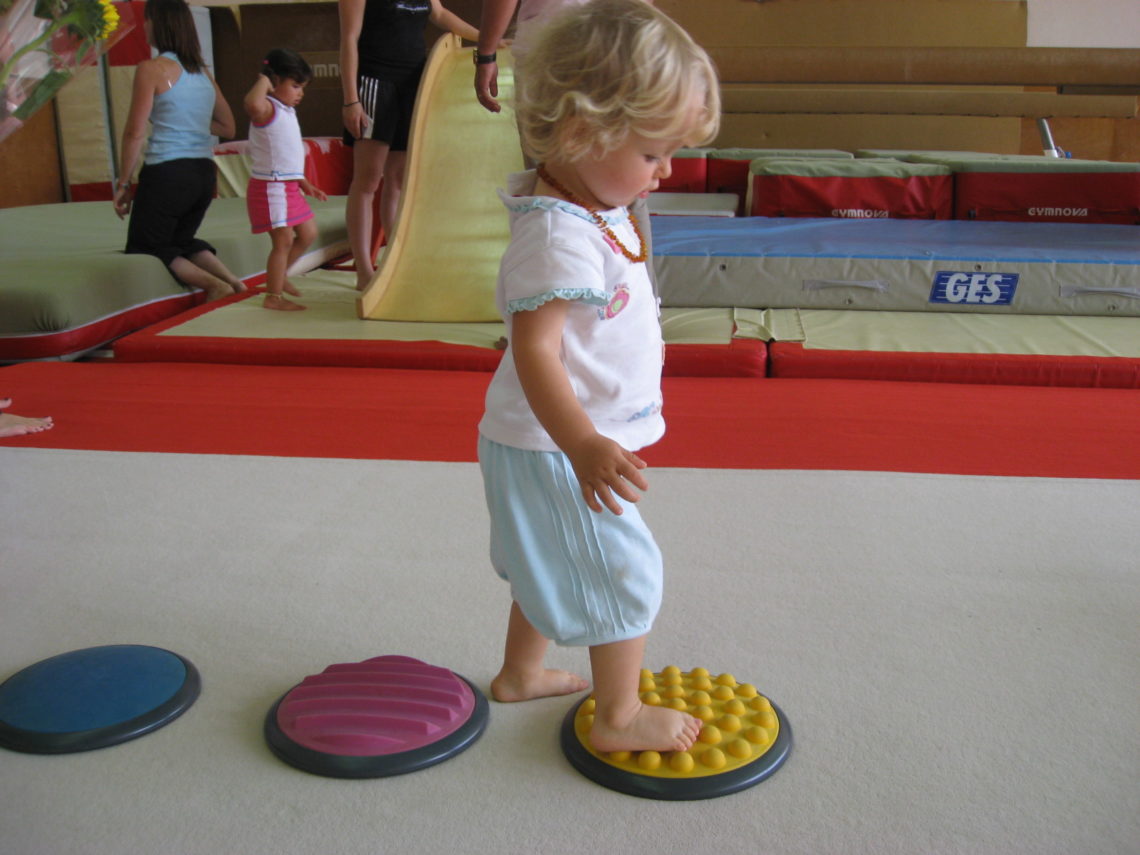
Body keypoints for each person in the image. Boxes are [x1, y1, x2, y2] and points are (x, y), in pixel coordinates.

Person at [477, 0, 720, 754]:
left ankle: (521, 672)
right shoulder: (557, 238)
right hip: (558, 447)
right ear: (583, 133)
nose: (666, 172)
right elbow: (535, 350)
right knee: (620, 572)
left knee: (546, 561)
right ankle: (618, 716)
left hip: (546, 443)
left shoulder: (587, 203)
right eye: (653, 154)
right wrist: (583, 443)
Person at [338, 0, 490, 291]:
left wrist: (486, 40)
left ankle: (396, 262)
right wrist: (351, 99)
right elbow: (348, 38)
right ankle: (364, 270)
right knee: (368, 179)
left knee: (397, 178)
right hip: (374, 81)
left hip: (413, 82)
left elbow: (441, 14)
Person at [113, 0, 246, 303]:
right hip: (202, 173)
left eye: (146, 21)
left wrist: (123, 183)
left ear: (158, 24)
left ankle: (215, 286)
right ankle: (234, 282)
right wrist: (192, 122)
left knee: (147, 245)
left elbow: (134, 133)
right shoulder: (202, 72)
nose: (144, 27)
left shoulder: (152, 69)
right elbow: (227, 127)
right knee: (180, 240)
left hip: (167, 171)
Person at [243, 49, 328, 312]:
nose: (299, 93)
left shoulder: (286, 110)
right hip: (271, 188)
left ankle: (279, 278)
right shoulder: (267, 108)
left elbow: (285, 154)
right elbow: (252, 105)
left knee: (309, 233)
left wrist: (304, 182)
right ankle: (273, 296)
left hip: (288, 186)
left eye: (302, 87)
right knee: (283, 241)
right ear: (274, 80)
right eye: (294, 86)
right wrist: (263, 81)